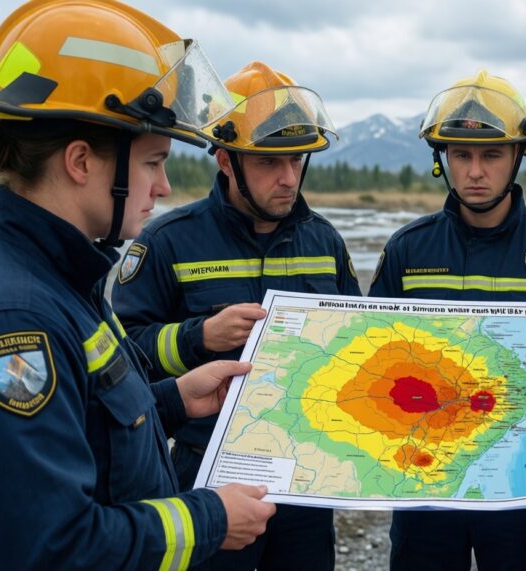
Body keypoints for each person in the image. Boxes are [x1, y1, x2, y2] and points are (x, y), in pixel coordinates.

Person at [0, 0, 277, 568]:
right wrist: (209, 519)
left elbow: (78, 427)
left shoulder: (56, 272)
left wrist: (173, 400)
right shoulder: (14, 320)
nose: (165, 188)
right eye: (152, 162)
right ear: (80, 162)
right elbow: (46, 548)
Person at [112, 60, 359, 570]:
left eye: (297, 161)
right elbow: (124, 355)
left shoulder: (325, 241)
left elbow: (358, 337)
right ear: (226, 161)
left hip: (307, 469)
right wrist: (197, 336)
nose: (289, 178)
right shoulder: (167, 241)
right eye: (270, 163)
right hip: (207, 471)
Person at [369, 69, 526, 571]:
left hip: (524, 490)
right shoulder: (407, 249)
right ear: (444, 159)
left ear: (518, 156)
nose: (475, 171)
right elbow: (373, 360)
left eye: (491, 155)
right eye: (462, 155)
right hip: (426, 488)